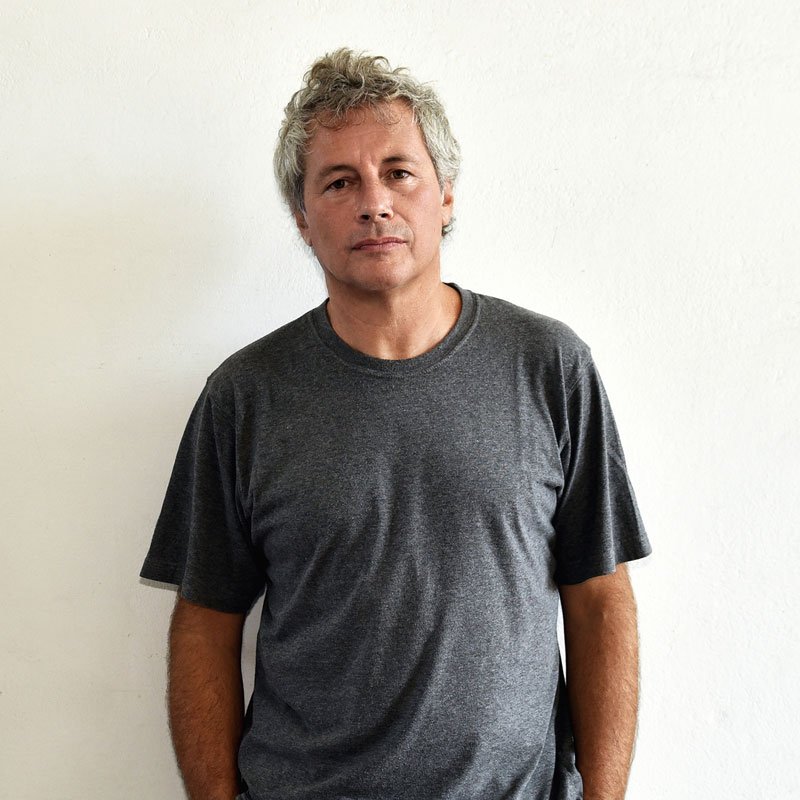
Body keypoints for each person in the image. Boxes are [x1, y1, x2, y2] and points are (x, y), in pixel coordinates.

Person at [141, 48, 651, 800]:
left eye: (399, 172)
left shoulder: (549, 366)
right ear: (302, 219)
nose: (374, 202)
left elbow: (600, 596)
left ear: (445, 195)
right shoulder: (244, 397)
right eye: (339, 182)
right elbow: (204, 622)